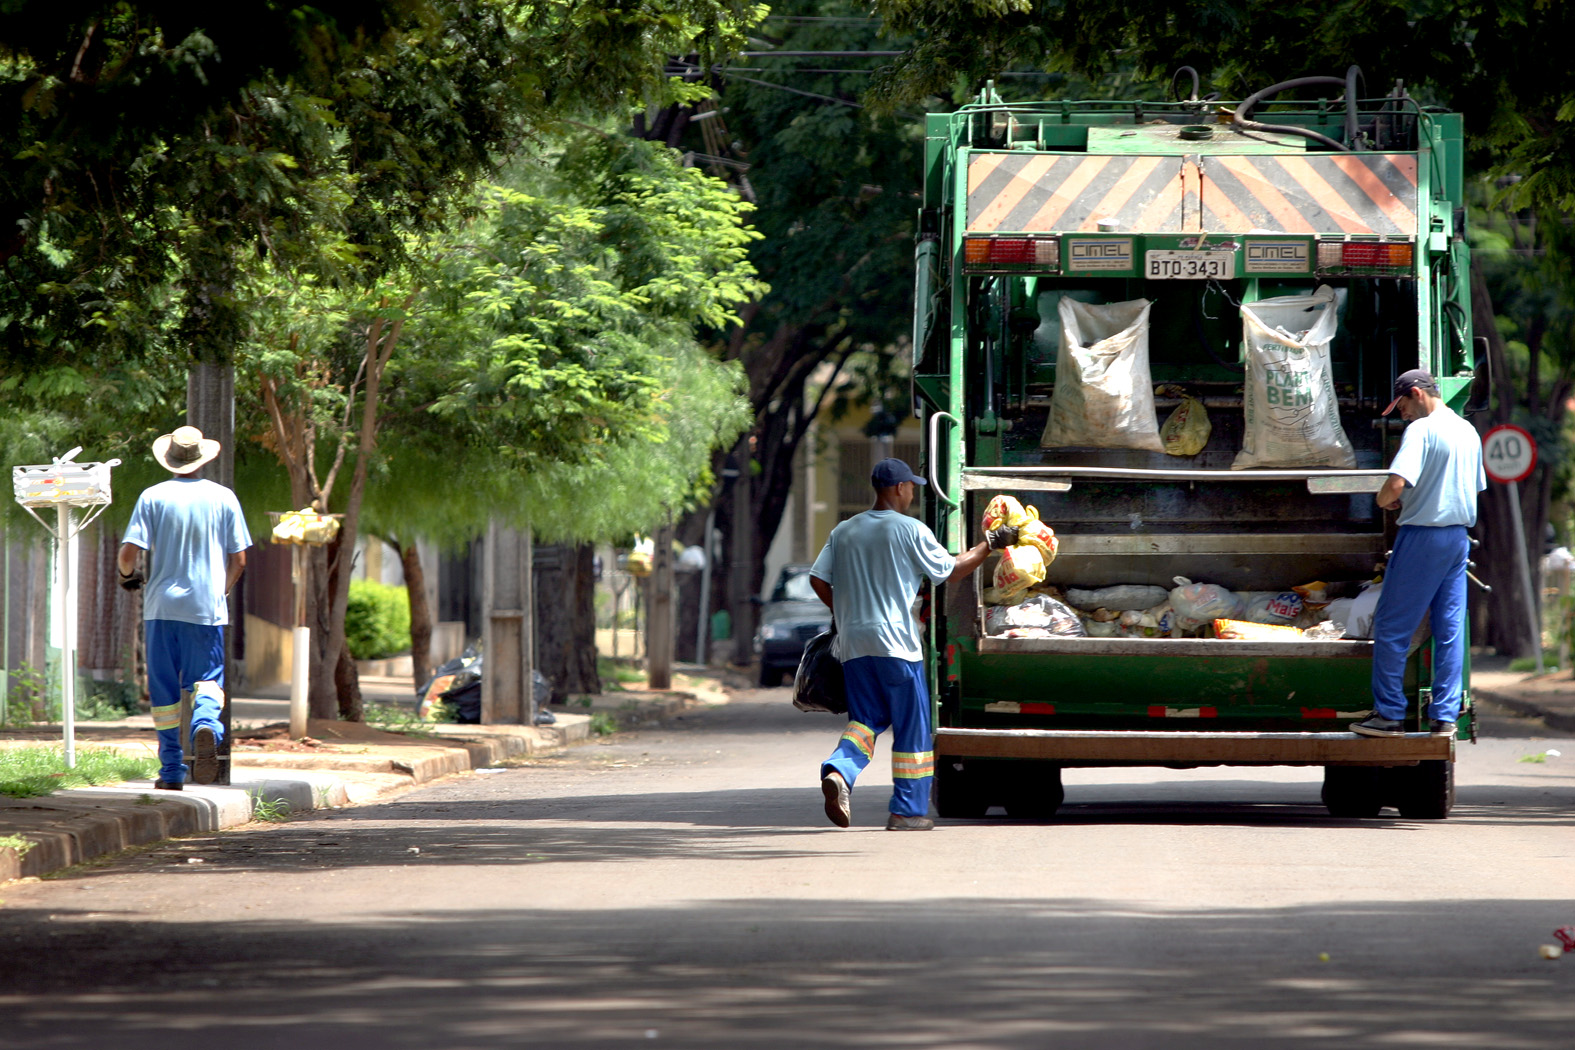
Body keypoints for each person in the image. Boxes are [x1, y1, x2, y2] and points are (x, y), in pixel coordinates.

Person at [808, 457, 1003, 831]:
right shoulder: (910, 529)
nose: (913, 491)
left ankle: (839, 770)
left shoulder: (844, 531)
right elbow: (951, 570)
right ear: (898, 488)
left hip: (854, 644)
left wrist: (845, 611)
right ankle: (907, 811)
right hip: (896, 644)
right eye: (911, 485)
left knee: (865, 721)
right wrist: (990, 544)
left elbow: (818, 579)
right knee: (913, 728)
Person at [1350, 370, 1485, 739]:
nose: (1402, 415)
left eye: (1404, 406)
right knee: (1449, 629)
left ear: (1416, 393)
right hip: (1457, 538)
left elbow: (1394, 485)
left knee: (1393, 627)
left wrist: (1384, 500)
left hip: (1422, 538)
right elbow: (1471, 486)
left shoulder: (1422, 431)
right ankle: (1444, 717)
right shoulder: (1467, 431)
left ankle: (1389, 714)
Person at [118, 426, 252, 788]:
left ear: (171, 459)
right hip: (205, 609)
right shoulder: (224, 498)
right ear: (201, 457)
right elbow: (239, 560)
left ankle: (172, 772)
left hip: (161, 608)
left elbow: (128, 552)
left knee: (163, 692)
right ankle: (206, 724)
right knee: (207, 681)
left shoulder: (152, 496)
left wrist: (126, 575)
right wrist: (218, 593)